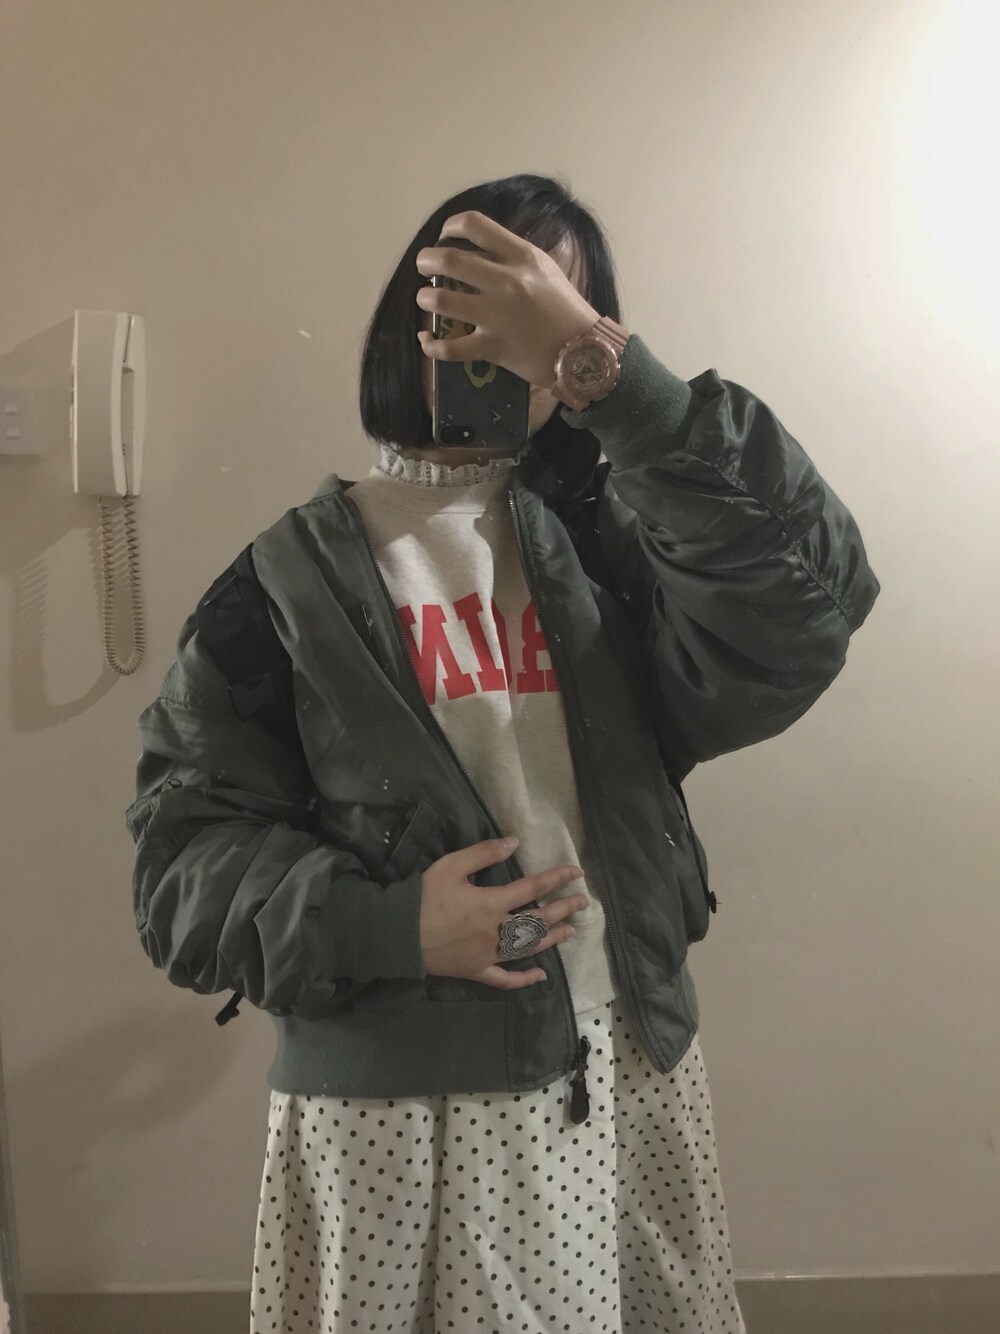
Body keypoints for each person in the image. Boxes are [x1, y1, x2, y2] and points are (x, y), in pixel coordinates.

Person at [126, 173, 880, 1333]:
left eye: (540, 310)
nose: (502, 340)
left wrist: (611, 380)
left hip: (623, 1064)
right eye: (471, 299)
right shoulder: (281, 587)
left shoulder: (615, 544)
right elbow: (180, 870)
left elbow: (807, 609)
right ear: (410, 319)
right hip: (394, 1111)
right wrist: (387, 923)